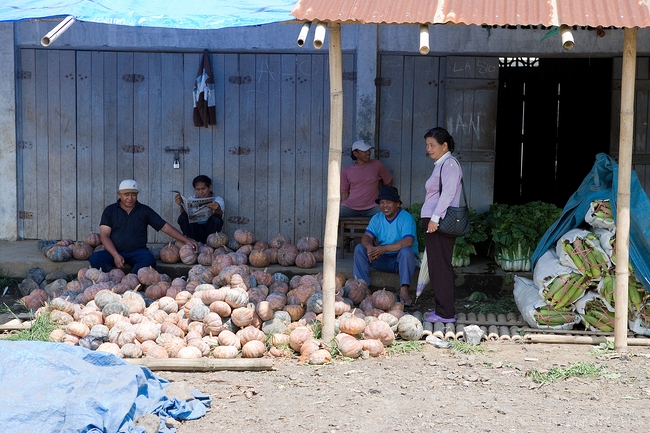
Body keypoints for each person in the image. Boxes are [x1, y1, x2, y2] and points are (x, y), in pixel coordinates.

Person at [89, 179, 199, 274]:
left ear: (137, 194)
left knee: (148, 259)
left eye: (133, 195)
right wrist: (115, 255)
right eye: (126, 195)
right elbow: (104, 236)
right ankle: (112, 277)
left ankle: (131, 279)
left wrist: (185, 240)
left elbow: (164, 227)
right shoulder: (110, 211)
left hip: (137, 252)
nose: (130, 198)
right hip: (114, 251)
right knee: (95, 258)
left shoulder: (144, 210)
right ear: (119, 194)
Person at [420, 127, 464, 323]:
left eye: (432, 145)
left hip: (439, 223)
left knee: (441, 267)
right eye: (427, 145)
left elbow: (447, 194)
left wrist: (435, 219)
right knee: (437, 266)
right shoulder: (440, 164)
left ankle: (446, 313)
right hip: (434, 221)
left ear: (444, 145)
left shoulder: (450, 165)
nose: (429, 149)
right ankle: (442, 310)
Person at [353, 186, 419, 306]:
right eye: (382, 203)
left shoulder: (406, 218)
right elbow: (366, 237)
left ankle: (404, 290)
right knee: (359, 249)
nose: (384, 206)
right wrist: (369, 248)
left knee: (406, 252)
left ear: (397, 204)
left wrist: (384, 248)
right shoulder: (377, 218)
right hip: (382, 259)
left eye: (388, 202)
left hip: (401, 262)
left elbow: (408, 241)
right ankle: (362, 287)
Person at [340, 140, 393, 218]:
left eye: (368, 150)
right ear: (355, 154)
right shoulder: (346, 170)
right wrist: (342, 205)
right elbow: (344, 193)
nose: (368, 153)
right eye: (364, 151)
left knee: (387, 214)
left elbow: (389, 181)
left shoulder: (377, 165)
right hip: (351, 207)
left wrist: (384, 198)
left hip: (373, 207)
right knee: (334, 214)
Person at [174, 175, 225, 244]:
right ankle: (191, 242)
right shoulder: (191, 199)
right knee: (182, 217)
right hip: (195, 230)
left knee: (216, 219)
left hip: (209, 230)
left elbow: (220, 217)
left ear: (209, 187)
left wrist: (218, 208)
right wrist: (181, 205)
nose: (201, 192)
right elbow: (183, 214)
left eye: (203, 189)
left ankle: (210, 244)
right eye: (197, 189)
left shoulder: (218, 200)